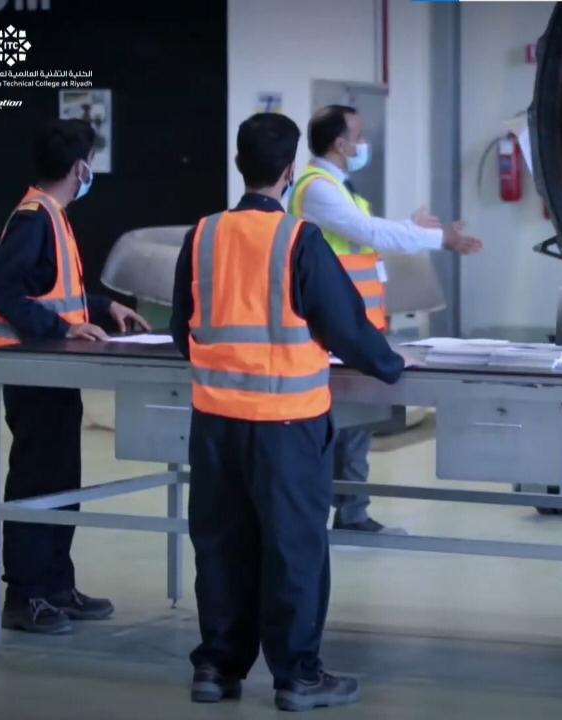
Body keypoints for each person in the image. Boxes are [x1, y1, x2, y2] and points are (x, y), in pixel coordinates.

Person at [171, 112, 407, 711]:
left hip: (214, 422)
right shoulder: (298, 240)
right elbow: (346, 326)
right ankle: (298, 677)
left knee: (221, 545)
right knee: (293, 548)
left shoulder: (202, 236)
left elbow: (181, 329)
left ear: (239, 164)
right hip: (287, 423)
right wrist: (390, 365)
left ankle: (216, 668)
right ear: (289, 170)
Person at [0, 119, 150, 635]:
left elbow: (54, 292)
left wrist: (104, 308)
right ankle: (24, 596)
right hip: (31, 369)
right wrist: (62, 328)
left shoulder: (52, 216)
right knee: (36, 481)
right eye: (91, 163)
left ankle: (56, 586)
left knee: (60, 480)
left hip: (53, 368)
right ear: (80, 168)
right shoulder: (34, 218)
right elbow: (6, 293)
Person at [289, 104, 482, 535]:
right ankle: (330, 513)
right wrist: (438, 237)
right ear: (340, 144)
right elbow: (370, 233)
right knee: (333, 427)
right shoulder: (317, 188)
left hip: (352, 324)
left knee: (354, 424)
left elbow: (366, 230)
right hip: (329, 328)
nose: (364, 144)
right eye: (358, 136)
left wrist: (411, 227)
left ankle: (352, 512)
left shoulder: (338, 187)